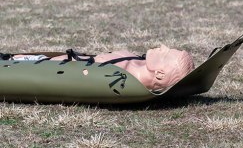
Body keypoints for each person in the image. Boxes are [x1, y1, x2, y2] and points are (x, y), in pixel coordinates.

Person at [10, 44, 195, 93]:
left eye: (165, 53)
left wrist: (28, 60)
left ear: (160, 74)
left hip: (35, 64)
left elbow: (67, 71)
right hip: (39, 60)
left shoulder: (116, 79)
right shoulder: (136, 63)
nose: (162, 46)